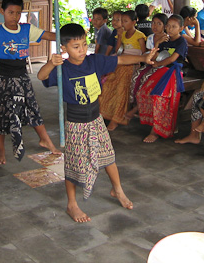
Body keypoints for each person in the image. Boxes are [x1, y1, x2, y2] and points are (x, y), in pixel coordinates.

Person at [37, 23, 157, 223]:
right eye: (76, 47)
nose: (82, 50)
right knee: (74, 164)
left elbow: (120, 59)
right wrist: (51, 63)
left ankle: (117, 190)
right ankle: (72, 204)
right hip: (75, 123)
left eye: (84, 44)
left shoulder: (94, 61)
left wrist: (143, 58)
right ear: (64, 48)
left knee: (108, 155)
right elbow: (41, 76)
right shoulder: (62, 69)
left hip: (96, 119)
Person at [0, 0, 60, 164]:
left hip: (23, 77)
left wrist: (67, 37)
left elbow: (48, 35)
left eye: (18, 13)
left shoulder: (27, 29)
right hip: (4, 79)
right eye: (11, 12)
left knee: (33, 107)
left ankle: (45, 140)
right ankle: (0, 150)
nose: (14, 17)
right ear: (2, 12)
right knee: (2, 113)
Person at [136, 14, 189, 142]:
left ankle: (155, 131)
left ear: (181, 28)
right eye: (168, 26)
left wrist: (158, 64)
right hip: (162, 70)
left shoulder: (181, 42)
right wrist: (158, 43)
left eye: (174, 27)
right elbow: (154, 55)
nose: (170, 29)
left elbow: (172, 59)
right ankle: (153, 123)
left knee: (159, 97)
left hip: (173, 72)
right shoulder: (165, 40)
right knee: (143, 92)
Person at [100, 10, 146, 131]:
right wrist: (120, 36)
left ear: (134, 22)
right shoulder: (122, 34)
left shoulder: (139, 35)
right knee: (108, 83)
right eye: (122, 21)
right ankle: (104, 113)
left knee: (122, 87)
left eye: (125, 21)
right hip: (121, 62)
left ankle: (116, 119)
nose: (123, 24)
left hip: (132, 64)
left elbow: (144, 53)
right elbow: (118, 50)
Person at [127, 13, 169, 120]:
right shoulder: (150, 38)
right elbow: (149, 55)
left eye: (159, 24)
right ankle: (133, 104)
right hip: (150, 63)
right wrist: (156, 44)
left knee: (146, 79)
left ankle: (137, 108)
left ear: (165, 26)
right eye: (153, 23)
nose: (155, 26)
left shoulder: (166, 39)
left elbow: (158, 56)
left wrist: (157, 44)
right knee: (135, 76)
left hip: (161, 66)